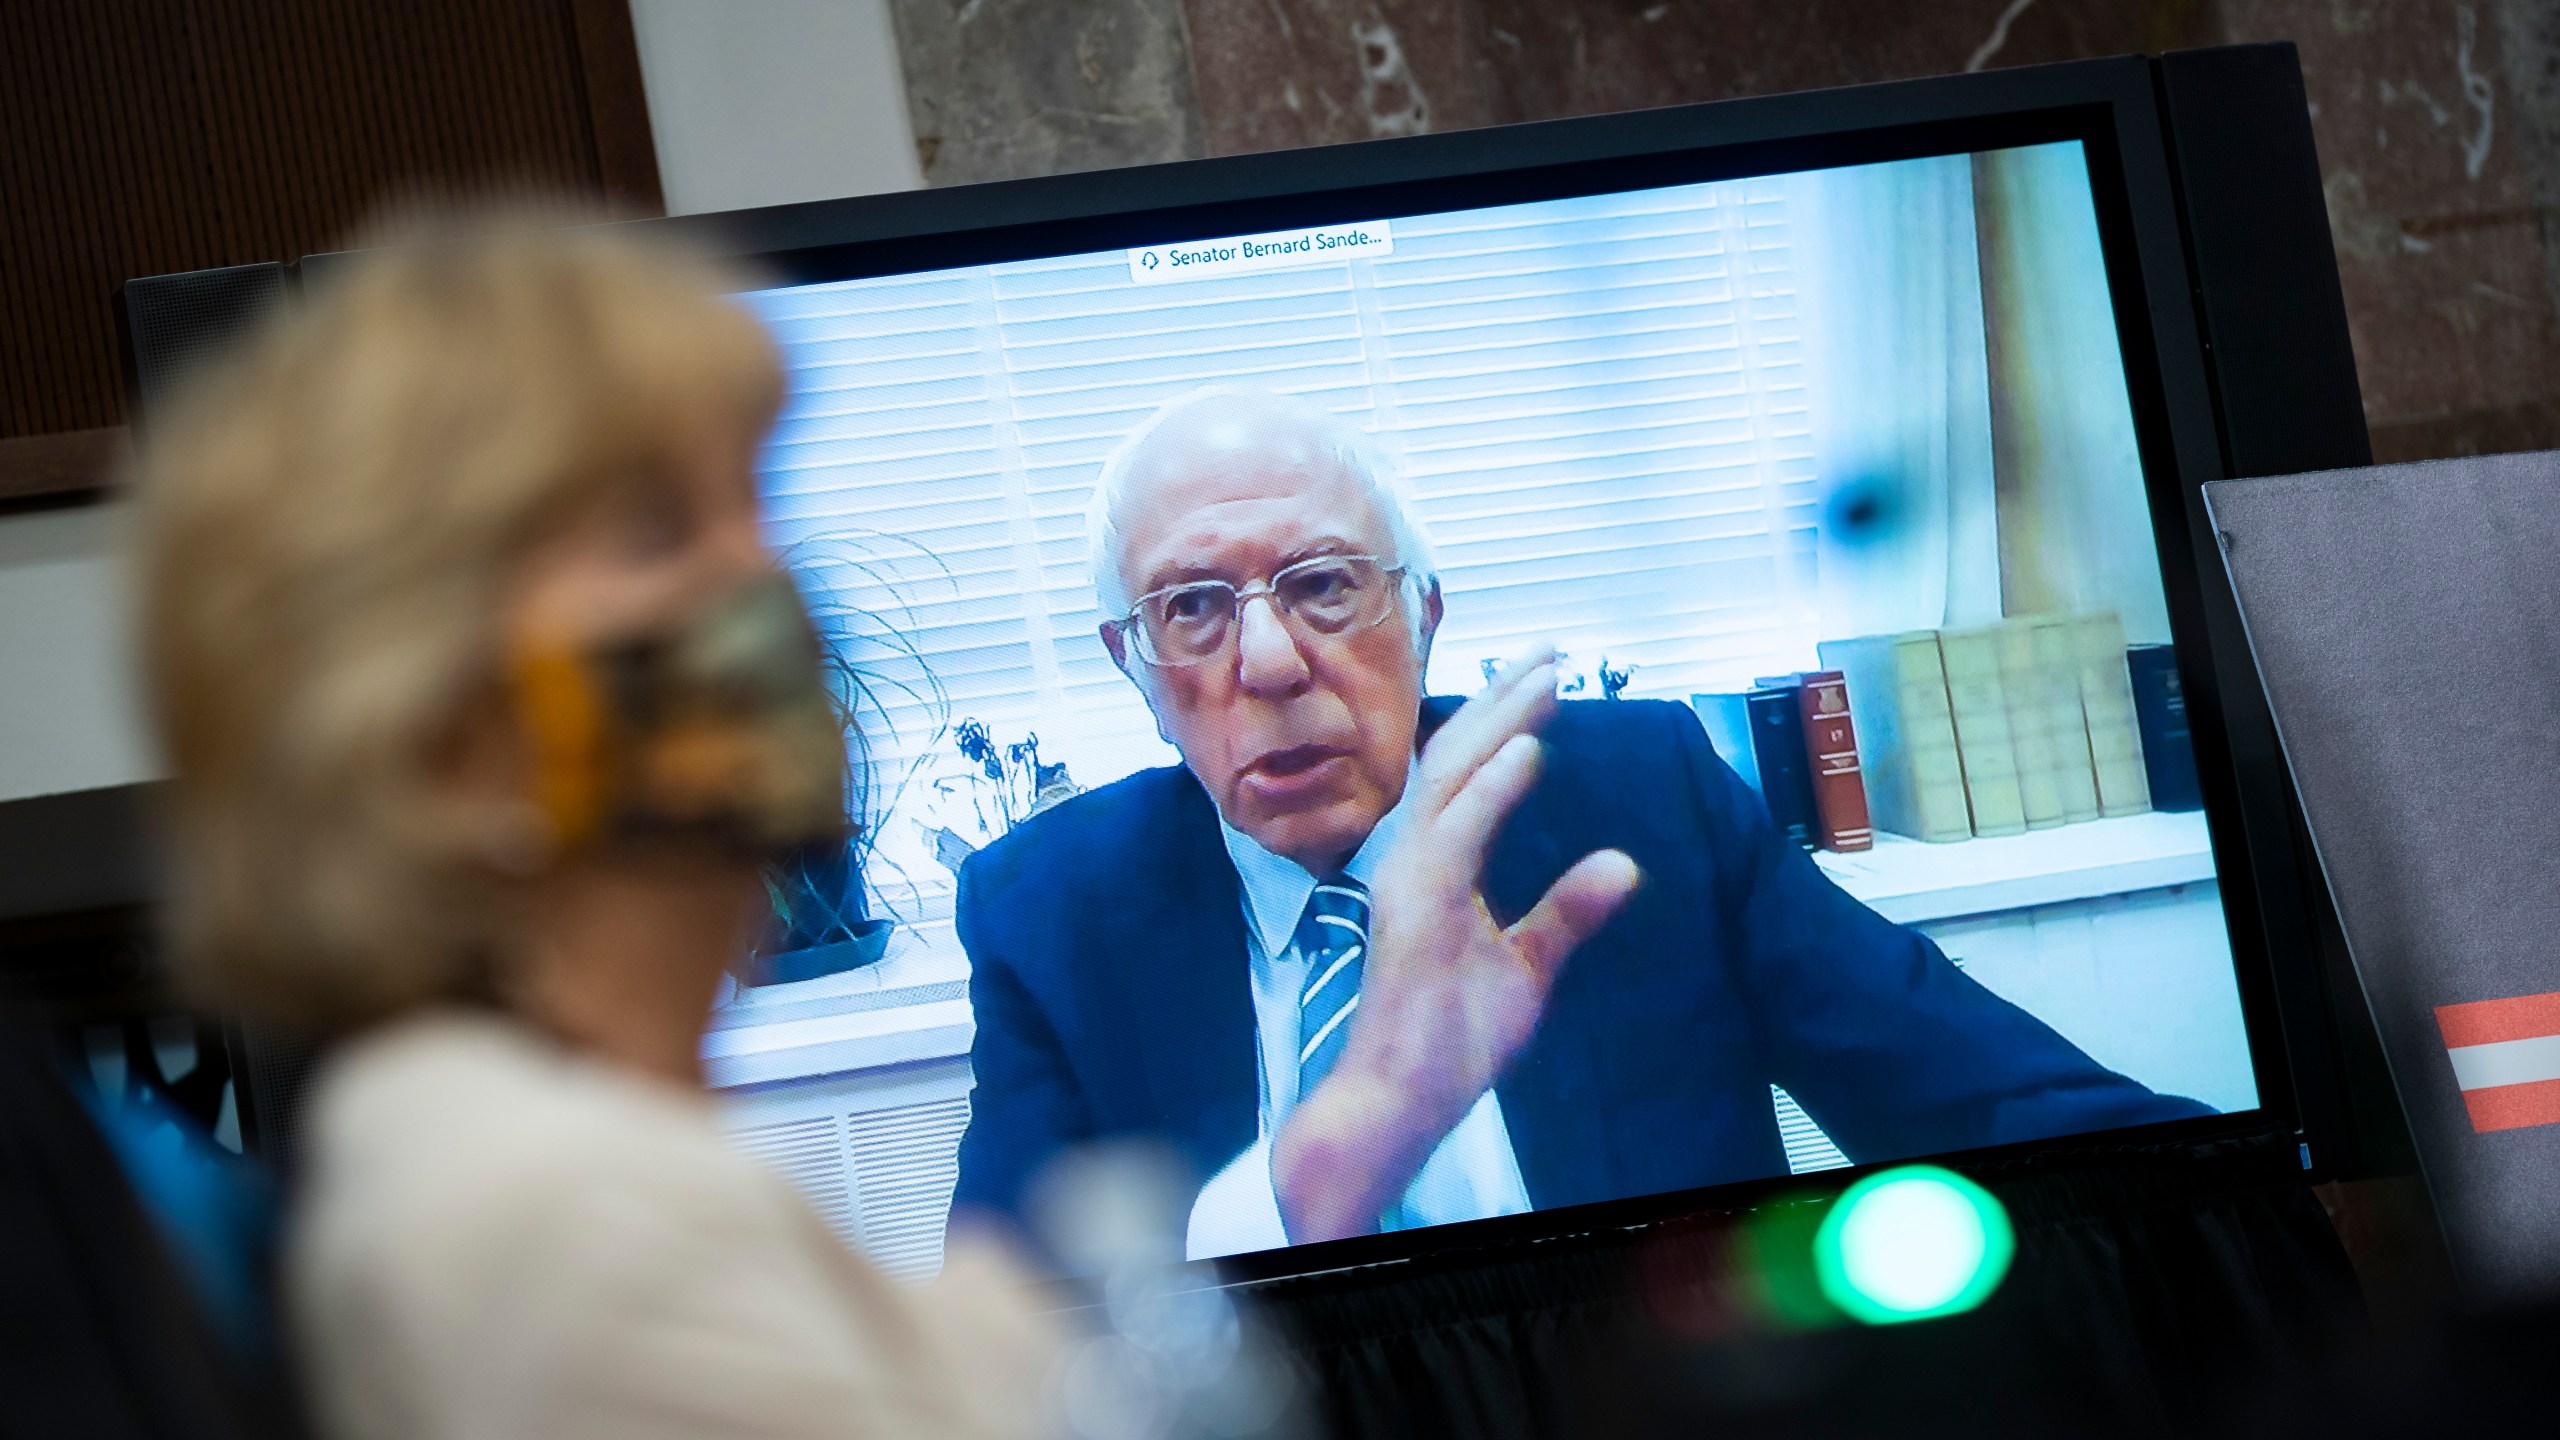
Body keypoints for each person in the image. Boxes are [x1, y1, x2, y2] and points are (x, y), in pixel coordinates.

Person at [133, 217, 1057, 1440]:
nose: (769, 587)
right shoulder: (555, 1213)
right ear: (433, 717)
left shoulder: (510, 1137)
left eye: (756, 501)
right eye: (656, 531)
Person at [951, 386, 2209, 1259]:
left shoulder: (1635, 797)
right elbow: (1000, 1355)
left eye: (1327, 584)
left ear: (1426, 617)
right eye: (1192, 609)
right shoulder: (1051, 914)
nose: (1272, 661)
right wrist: (1331, 1158)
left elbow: (2000, 1110)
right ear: (1133, 665)